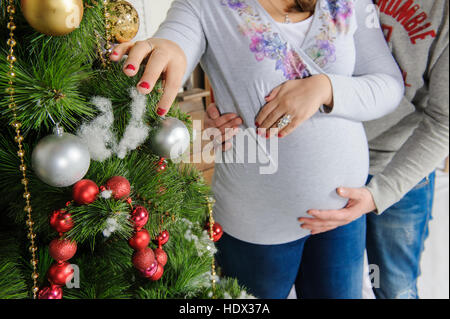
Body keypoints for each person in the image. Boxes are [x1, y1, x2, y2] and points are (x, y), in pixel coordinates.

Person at [111, 0, 404, 298]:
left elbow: (390, 85)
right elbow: (176, 39)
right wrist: (167, 49)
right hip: (255, 224)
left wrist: (325, 88)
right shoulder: (203, 5)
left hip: (341, 214)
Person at [207, 0, 449, 299]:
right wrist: (228, 106)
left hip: (397, 161)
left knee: (394, 286)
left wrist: (381, 193)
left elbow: (444, 120)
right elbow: (262, 58)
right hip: (308, 176)